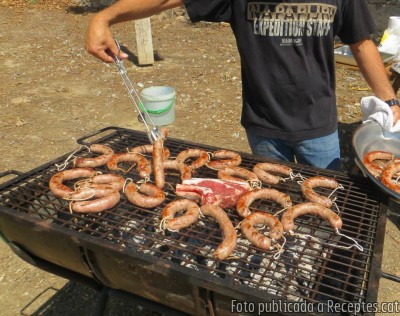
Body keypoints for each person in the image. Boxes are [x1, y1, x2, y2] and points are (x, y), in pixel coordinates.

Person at [85, 0, 400, 171]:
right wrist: (104, 18)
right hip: (263, 126)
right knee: (268, 200)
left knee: (325, 205)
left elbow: (361, 44)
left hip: (320, 128)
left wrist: (390, 102)